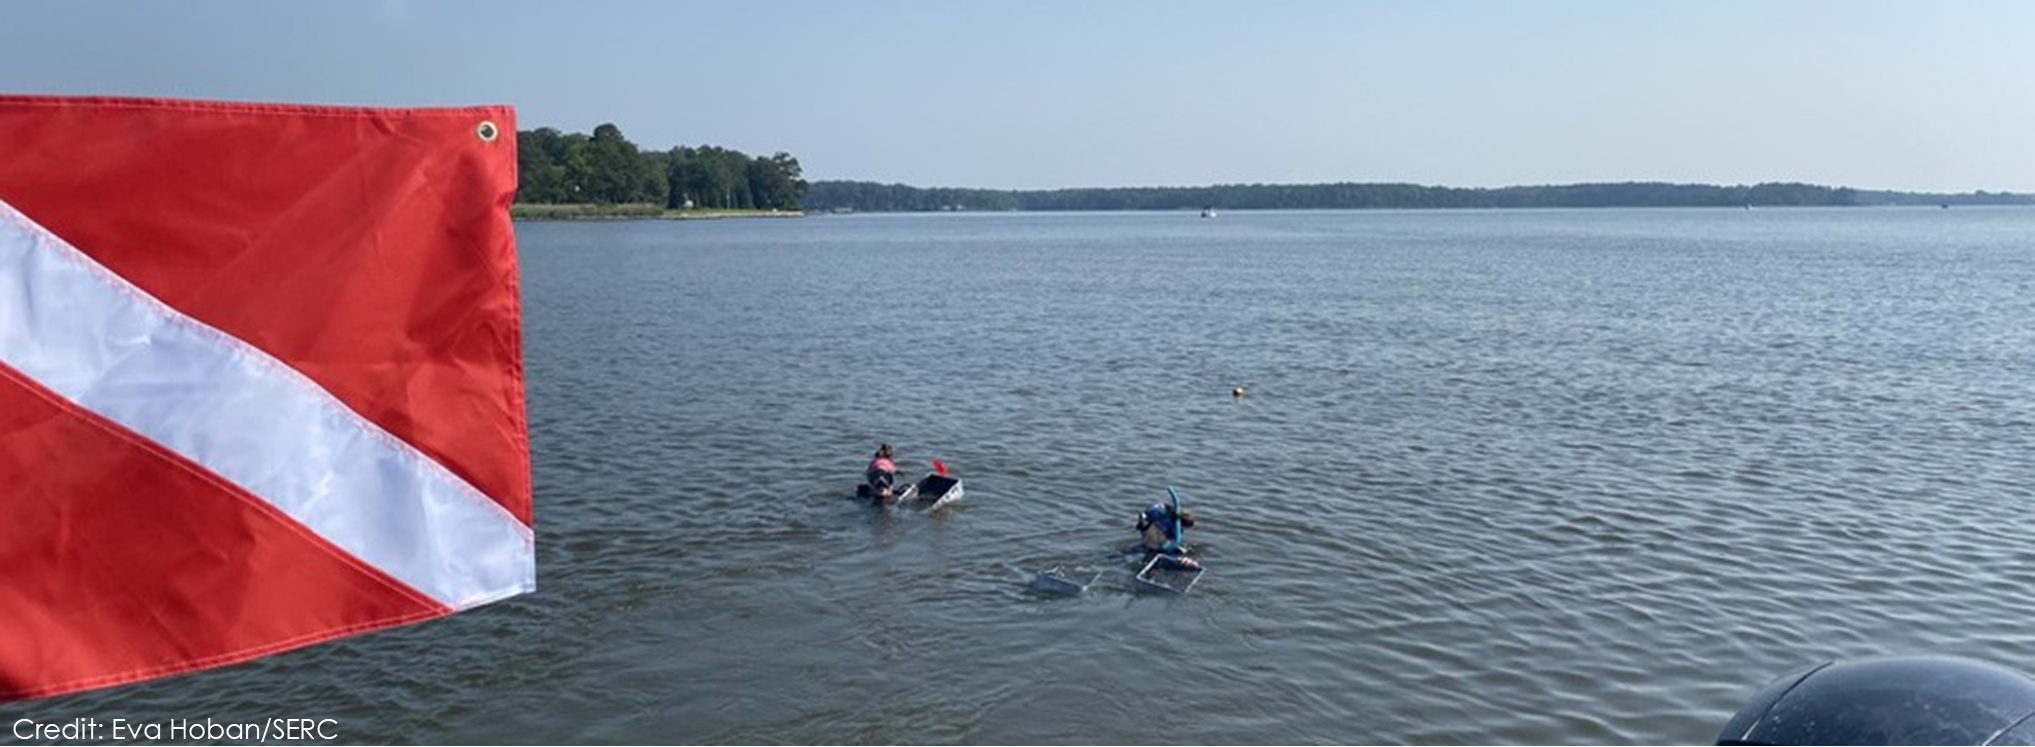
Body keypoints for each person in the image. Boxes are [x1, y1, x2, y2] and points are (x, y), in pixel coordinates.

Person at [1135, 501, 1201, 570]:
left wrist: (1191, 564)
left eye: (1146, 528)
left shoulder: (1177, 556)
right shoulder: (1136, 552)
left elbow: (1196, 565)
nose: (1143, 533)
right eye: (1142, 529)